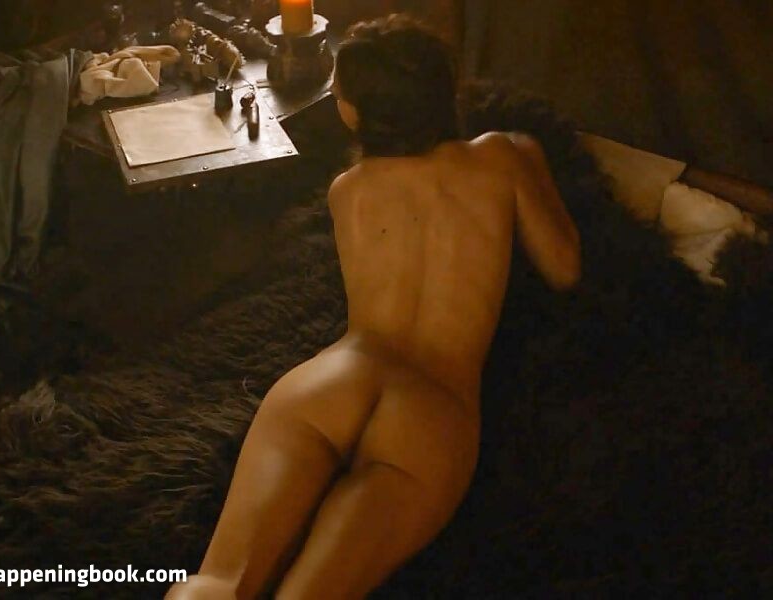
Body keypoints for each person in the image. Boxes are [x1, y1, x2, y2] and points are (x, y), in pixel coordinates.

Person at [166, 14, 580, 600]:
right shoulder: (505, 155)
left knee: (218, 581)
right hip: (432, 407)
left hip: (334, 381)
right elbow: (564, 270)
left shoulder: (349, 188)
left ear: (356, 113)